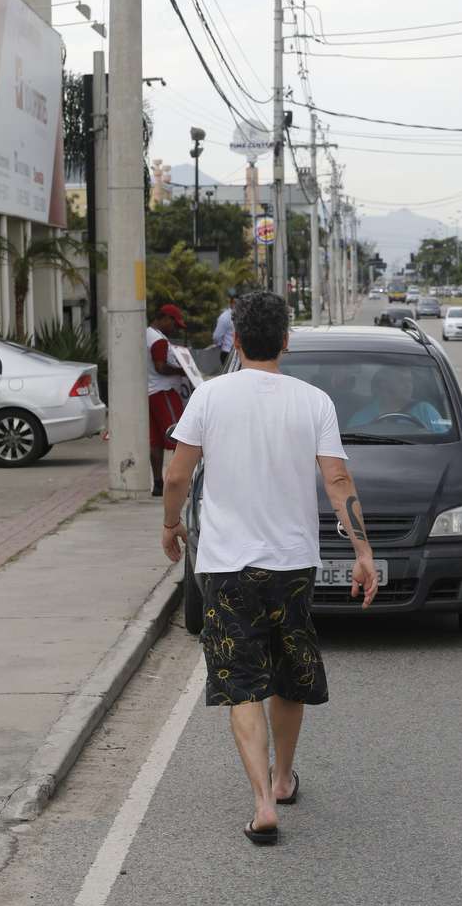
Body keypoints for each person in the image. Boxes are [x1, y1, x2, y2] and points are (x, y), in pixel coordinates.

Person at [161, 291, 379, 846]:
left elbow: (176, 477)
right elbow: (337, 482)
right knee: (289, 674)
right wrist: (362, 552)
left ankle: (262, 803)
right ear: (285, 340)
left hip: (227, 566)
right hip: (292, 564)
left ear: (234, 340)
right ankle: (284, 779)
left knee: (241, 684)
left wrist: (171, 524)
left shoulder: (209, 398)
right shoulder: (313, 402)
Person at [147, 304, 187, 496]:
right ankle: (179, 482)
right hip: (165, 391)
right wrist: (183, 370)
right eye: (174, 324)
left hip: (150, 392)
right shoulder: (159, 341)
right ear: (164, 318)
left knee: (155, 441)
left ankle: (158, 483)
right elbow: (160, 367)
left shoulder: (146, 334)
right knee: (179, 437)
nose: (174, 329)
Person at [346, 365, 447, 432]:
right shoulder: (362, 416)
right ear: (384, 384)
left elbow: (444, 438)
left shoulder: (425, 410)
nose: (408, 385)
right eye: (401, 381)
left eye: (410, 381)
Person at [212, 291, 236, 365]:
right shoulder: (224, 317)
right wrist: (219, 344)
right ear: (231, 304)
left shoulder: (242, 315)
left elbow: (217, 336)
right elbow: (217, 336)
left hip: (237, 354)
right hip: (227, 352)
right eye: (235, 303)